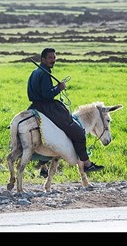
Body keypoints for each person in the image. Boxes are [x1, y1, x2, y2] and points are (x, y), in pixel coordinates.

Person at [27, 47, 104, 177]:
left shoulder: (35, 72)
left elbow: (36, 92)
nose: (53, 60)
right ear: (43, 59)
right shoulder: (44, 73)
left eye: (54, 58)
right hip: (47, 107)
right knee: (78, 132)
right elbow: (47, 95)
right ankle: (86, 163)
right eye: (50, 58)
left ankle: (44, 166)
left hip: (34, 106)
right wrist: (59, 88)